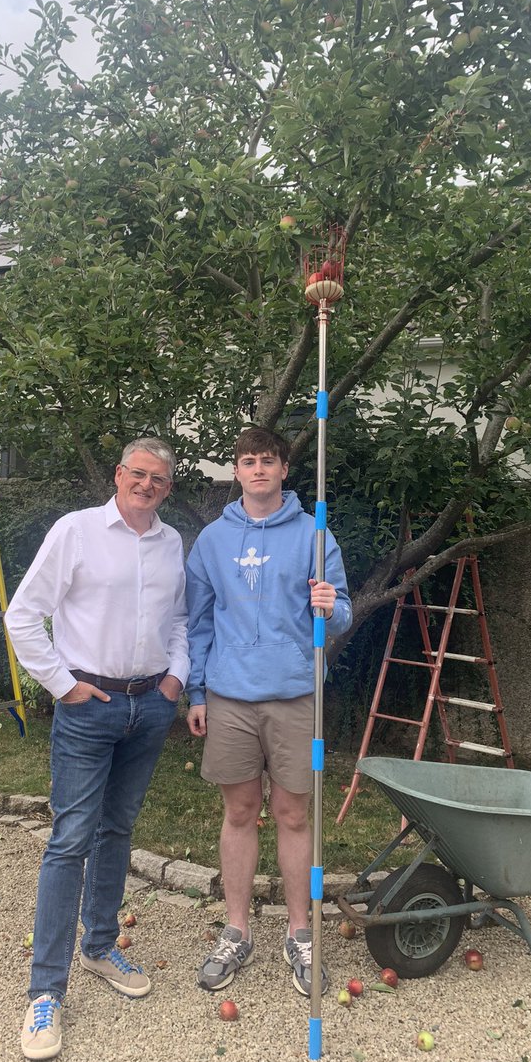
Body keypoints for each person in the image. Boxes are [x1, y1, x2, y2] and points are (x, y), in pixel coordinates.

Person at [5, 437, 189, 1062]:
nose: (146, 485)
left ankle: (101, 945)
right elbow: (23, 615)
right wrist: (64, 685)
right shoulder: (75, 531)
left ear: (168, 487)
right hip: (89, 710)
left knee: (117, 831)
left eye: (158, 479)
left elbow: (182, 620)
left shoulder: (172, 544)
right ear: (118, 476)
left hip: (149, 708)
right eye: (138, 474)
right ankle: (45, 992)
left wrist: (176, 679)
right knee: (70, 839)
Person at [185, 426, 351, 997]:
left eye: (268, 460)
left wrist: (332, 607)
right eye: (248, 460)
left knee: (294, 813)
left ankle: (300, 932)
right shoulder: (211, 540)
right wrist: (198, 692)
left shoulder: (315, 535)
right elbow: (199, 621)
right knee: (239, 811)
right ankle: (236, 930)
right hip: (230, 696)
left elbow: (343, 612)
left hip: (295, 694)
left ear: (284, 469)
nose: (258, 469)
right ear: (237, 471)